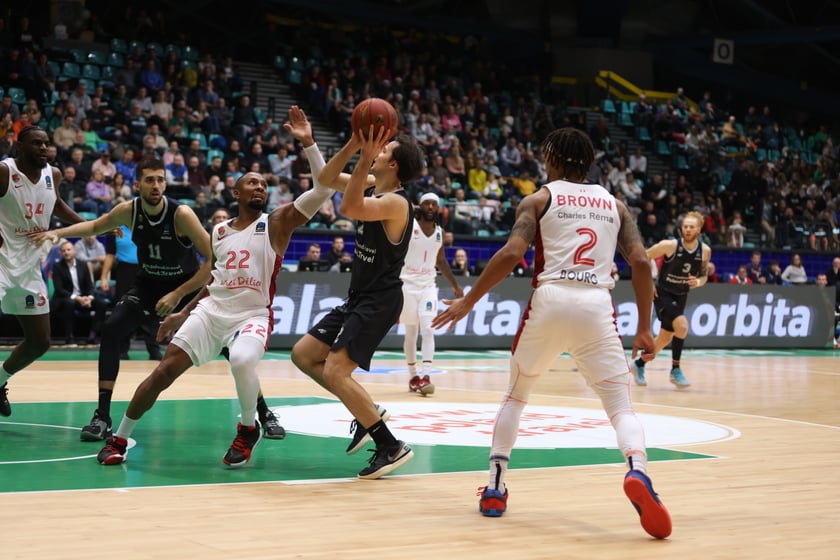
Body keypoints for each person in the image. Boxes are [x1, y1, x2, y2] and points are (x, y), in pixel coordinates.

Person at [430, 127, 671, 539]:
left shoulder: (538, 199)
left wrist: (469, 300)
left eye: (545, 155)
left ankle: (495, 487)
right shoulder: (616, 206)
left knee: (516, 395)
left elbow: (512, 253)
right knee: (620, 406)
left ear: (553, 158)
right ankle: (638, 470)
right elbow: (640, 263)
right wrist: (645, 327)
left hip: (551, 299)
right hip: (596, 304)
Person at [94, 107, 338, 467]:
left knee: (241, 359)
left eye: (263, 184)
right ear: (236, 192)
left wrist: (309, 144)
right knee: (164, 371)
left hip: (251, 315)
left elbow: (324, 188)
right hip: (210, 312)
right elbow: (214, 281)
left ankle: (247, 428)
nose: (260, 186)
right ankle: (119, 438)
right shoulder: (220, 231)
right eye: (252, 183)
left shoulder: (276, 223)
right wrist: (183, 312)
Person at [290, 128, 425, 479]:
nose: (377, 151)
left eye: (384, 150)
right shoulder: (372, 186)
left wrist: (363, 159)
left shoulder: (397, 203)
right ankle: (368, 410)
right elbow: (326, 179)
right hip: (359, 297)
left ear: (393, 165)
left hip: (380, 300)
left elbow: (349, 207)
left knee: (335, 371)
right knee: (303, 355)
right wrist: (347, 143)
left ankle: (390, 446)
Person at [1, 126, 85, 417]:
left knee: (40, 342)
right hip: (1, 261)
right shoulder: (5, 172)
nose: (43, 148)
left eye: (46, 143)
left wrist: (90, 226)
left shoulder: (54, 174)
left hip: (30, 267)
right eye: (36, 143)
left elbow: (57, 205)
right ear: (19, 145)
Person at [632, 211, 712, 389]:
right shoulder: (670, 245)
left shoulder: (705, 251)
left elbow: (704, 276)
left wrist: (698, 282)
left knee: (665, 338)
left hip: (681, 294)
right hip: (662, 293)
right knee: (682, 327)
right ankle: (675, 370)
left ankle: (638, 364)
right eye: (685, 226)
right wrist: (649, 281)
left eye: (691, 227)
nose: (688, 230)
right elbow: (644, 257)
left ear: (699, 229)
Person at [400, 192, 463, 395]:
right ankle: (413, 376)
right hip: (406, 284)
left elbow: (441, 260)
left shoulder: (440, 232)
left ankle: (426, 376)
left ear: (438, 208)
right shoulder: (409, 226)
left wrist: (455, 286)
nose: (430, 207)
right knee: (411, 331)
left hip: (428, 285)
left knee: (428, 329)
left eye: (433, 204)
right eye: (426, 203)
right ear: (420, 206)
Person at [50, 239, 108, 345]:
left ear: (74, 251)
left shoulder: (83, 265)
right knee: (69, 303)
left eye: (68, 250)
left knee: (102, 303)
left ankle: (92, 336)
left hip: (83, 298)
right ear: (60, 253)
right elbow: (59, 289)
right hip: (65, 298)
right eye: (63, 251)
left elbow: (89, 285)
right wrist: (77, 298)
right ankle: (69, 337)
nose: (66, 252)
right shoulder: (57, 266)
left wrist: (89, 298)